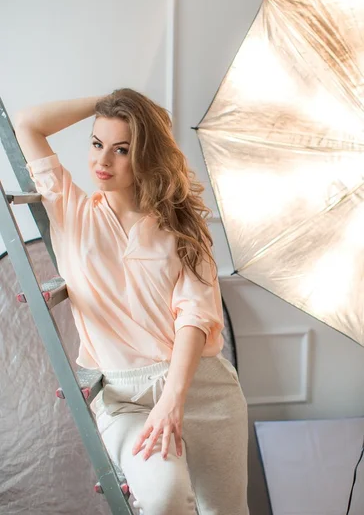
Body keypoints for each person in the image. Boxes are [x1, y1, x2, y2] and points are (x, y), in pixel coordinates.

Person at [14, 88, 249, 515]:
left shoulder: (182, 227)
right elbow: (28, 123)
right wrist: (112, 101)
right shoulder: (70, 209)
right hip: (126, 399)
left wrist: (174, 398)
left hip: (202, 389)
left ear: (146, 154)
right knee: (162, 498)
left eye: (122, 150)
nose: (103, 162)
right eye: (97, 144)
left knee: (225, 512)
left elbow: (194, 318)